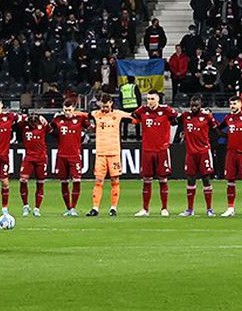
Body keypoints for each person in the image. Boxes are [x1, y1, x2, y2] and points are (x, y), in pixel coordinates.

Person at [130, 89, 177, 217]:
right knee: (146, 179)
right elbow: (132, 117)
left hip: (161, 150)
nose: (150, 102)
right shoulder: (142, 110)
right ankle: (145, 209)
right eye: (148, 99)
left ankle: (164, 208)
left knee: (163, 179)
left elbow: (176, 119)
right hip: (147, 150)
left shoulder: (166, 110)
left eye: (152, 99)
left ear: (158, 99)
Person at [86, 94, 131, 216]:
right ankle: (95, 208)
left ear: (111, 103)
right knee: (98, 181)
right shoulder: (96, 114)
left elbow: (135, 117)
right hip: (100, 153)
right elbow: (83, 116)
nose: (104, 108)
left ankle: (113, 208)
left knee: (115, 180)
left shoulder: (118, 114)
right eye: (102, 105)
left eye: (106, 106)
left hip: (114, 152)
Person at [176, 94, 218, 217]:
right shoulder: (185, 116)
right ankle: (190, 209)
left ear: (200, 105)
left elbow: (216, 128)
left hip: (204, 152)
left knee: (206, 179)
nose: (194, 107)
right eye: (192, 105)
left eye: (196, 105)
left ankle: (209, 209)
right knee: (190, 180)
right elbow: (173, 121)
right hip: (191, 153)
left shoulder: (206, 116)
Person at [218, 95, 242, 217]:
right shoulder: (228, 117)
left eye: (234, 103)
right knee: (230, 180)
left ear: (240, 104)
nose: (232, 106)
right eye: (231, 104)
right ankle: (230, 208)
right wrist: (227, 137)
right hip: (231, 153)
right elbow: (219, 129)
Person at [50, 100, 88, 215]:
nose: (67, 112)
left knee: (76, 180)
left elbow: (89, 125)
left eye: (69, 110)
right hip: (62, 156)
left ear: (73, 109)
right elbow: (51, 129)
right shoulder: (58, 119)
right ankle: (68, 208)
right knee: (64, 182)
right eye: (65, 110)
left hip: (74, 156)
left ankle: (73, 208)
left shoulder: (80, 119)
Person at [14, 112, 50, 217]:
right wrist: (27, 118)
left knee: (40, 182)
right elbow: (16, 120)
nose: (32, 124)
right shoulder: (23, 125)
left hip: (41, 158)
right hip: (29, 157)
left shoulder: (43, 125)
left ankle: (37, 208)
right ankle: (25, 206)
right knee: (23, 180)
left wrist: (41, 118)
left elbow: (51, 129)